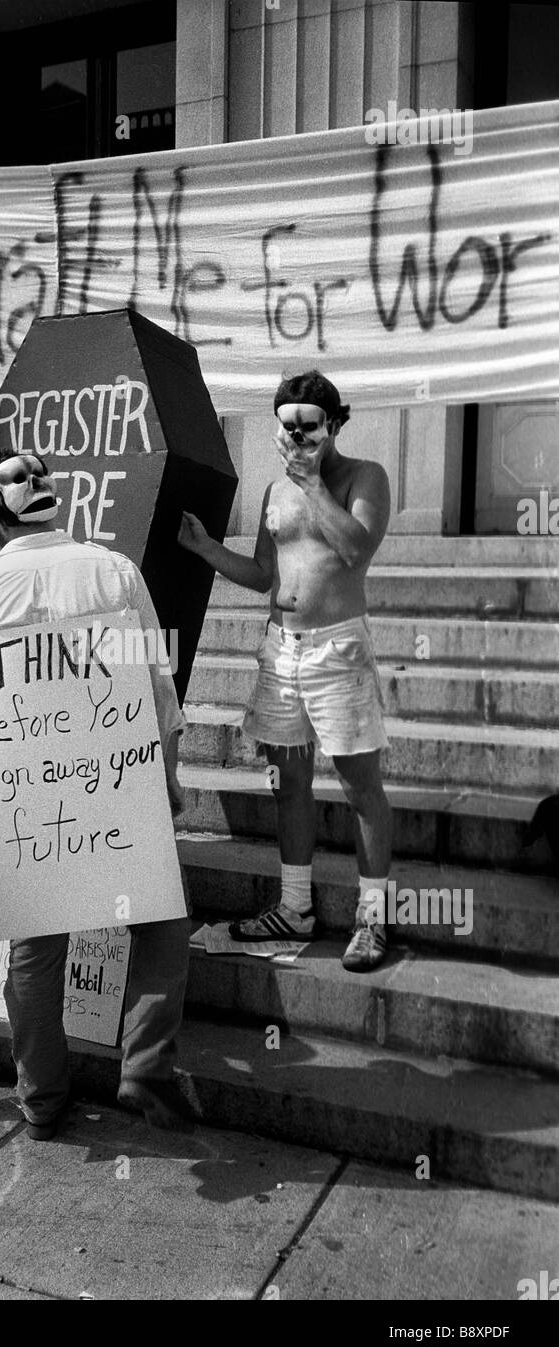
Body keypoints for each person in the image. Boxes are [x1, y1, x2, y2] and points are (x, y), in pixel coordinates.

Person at [0, 449, 194, 1139]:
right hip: (116, 784)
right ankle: (144, 1064)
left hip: (25, 804)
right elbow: (157, 690)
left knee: (36, 949)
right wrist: (165, 780)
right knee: (160, 927)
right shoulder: (114, 570)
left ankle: (43, 1098)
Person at [178, 370, 393, 972]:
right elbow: (264, 575)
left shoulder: (363, 476)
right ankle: (295, 906)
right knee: (289, 781)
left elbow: (355, 548)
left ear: (335, 424)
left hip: (337, 650)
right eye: (288, 426)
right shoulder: (276, 491)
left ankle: (373, 919)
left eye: (310, 426)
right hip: (282, 648)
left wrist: (313, 482)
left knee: (359, 784)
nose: (298, 437)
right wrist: (205, 549)